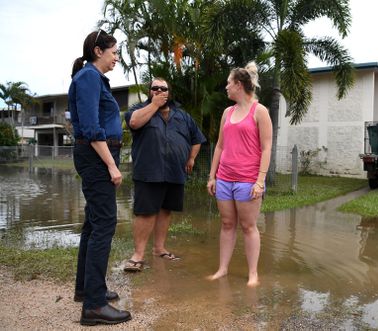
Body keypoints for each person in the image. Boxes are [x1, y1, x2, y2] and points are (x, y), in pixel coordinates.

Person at [69, 30, 131, 325]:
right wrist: (112, 166)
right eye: (114, 52)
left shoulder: (91, 78)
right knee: (104, 223)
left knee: (93, 223)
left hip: (97, 156)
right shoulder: (89, 77)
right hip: (97, 157)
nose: (117, 58)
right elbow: (92, 128)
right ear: (98, 51)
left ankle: (86, 289)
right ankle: (93, 306)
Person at [123, 77, 206, 272]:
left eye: (164, 88)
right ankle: (138, 255)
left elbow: (197, 138)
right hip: (148, 171)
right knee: (145, 212)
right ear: (149, 91)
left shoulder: (182, 116)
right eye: (155, 88)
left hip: (175, 171)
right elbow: (134, 123)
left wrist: (191, 158)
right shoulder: (139, 110)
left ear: (169, 92)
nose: (160, 91)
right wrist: (154, 105)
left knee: (165, 210)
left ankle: (159, 249)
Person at [207, 62, 272, 287]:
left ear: (238, 84)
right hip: (224, 178)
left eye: (228, 83)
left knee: (248, 226)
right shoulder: (228, 112)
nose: (226, 87)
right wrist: (212, 176)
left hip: (248, 180)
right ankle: (222, 269)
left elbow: (266, 148)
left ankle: (253, 274)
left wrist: (260, 181)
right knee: (226, 224)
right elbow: (219, 146)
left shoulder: (259, 111)